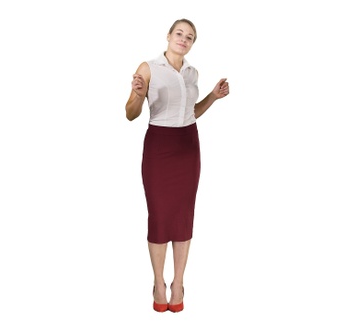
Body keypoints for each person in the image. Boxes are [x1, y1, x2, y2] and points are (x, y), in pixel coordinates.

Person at [125, 18, 229, 313]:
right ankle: (159, 282)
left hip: (188, 147)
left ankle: (178, 283)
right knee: (159, 215)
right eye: (180, 34)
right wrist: (137, 92)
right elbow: (131, 114)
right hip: (159, 146)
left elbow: (191, 112)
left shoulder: (192, 72)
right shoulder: (148, 68)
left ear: (192, 43)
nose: (184, 39)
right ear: (168, 36)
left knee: (184, 215)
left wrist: (213, 96)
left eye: (190, 37)